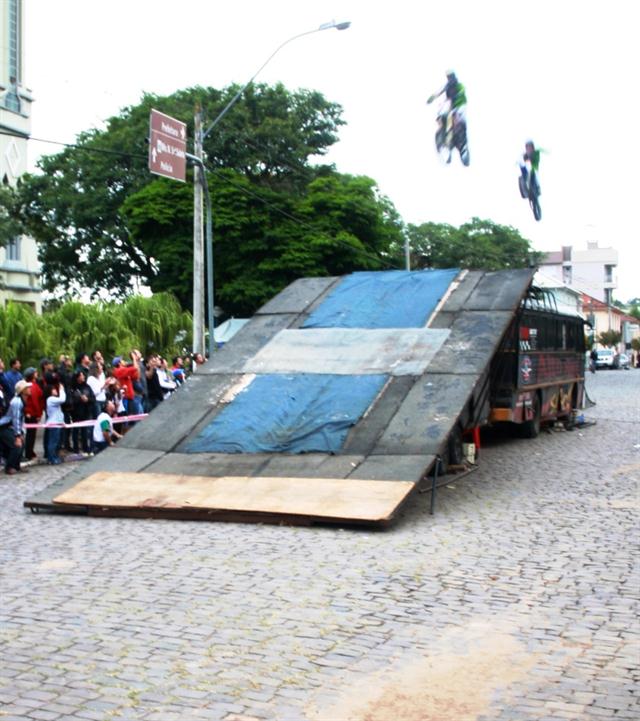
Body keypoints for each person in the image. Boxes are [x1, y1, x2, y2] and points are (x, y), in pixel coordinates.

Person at [427, 70, 467, 159]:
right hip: (450, 107)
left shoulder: (459, 85)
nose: (449, 78)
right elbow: (439, 91)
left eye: (450, 76)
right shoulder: (447, 86)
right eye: (448, 77)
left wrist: (458, 95)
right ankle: (442, 138)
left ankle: (462, 143)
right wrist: (432, 98)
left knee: (458, 120)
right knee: (442, 117)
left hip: (459, 106)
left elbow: (462, 90)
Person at [0, 378, 31, 474]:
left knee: (21, 444)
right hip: (4, 427)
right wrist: (18, 435)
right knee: (16, 445)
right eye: (27, 387)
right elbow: (16, 419)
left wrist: (21, 432)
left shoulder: (21, 400)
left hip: (10, 426)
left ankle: (16, 466)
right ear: (23, 391)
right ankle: (9, 467)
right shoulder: (17, 402)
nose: (29, 389)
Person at [69, 369, 95, 455]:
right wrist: (79, 399)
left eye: (83, 375)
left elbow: (93, 398)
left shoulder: (87, 387)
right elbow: (71, 401)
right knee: (75, 431)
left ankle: (85, 448)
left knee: (84, 431)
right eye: (80, 375)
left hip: (86, 412)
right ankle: (76, 449)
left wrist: (87, 400)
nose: (83, 377)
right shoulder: (73, 388)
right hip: (76, 412)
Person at [23, 367, 45, 461]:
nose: (37, 373)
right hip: (32, 413)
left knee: (31, 434)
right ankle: (29, 452)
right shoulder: (32, 386)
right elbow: (35, 401)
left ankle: (30, 451)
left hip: (31, 412)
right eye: (35, 372)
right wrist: (38, 414)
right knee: (31, 434)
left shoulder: (32, 385)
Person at [44, 373, 66, 465]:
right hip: (54, 424)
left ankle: (53, 457)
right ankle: (51, 458)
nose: (55, 390)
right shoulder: (50, 399)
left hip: (57, 423)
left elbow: (58, 413)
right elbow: (62, 399)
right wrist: (62, 390)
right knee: (53, 442)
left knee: (55, 442)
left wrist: (62, 422)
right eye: (53, 389)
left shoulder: (52, 400)